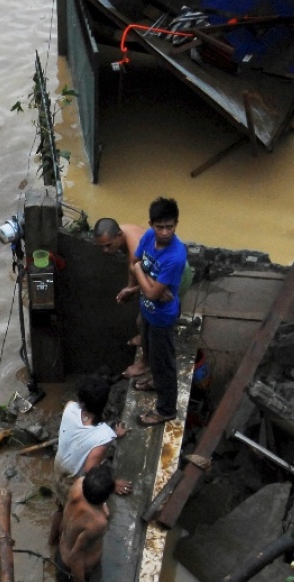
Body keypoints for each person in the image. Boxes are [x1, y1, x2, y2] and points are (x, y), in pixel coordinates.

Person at [47, 375, 131, 548]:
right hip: (72, 480)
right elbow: (90, 470)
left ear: (82, 401)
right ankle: (65, 547)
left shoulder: (70, 408)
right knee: (71, 515)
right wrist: (112, 484)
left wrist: (113, 433)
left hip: (58, 468)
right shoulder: (104, 436)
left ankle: (51, 542)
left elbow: (84, 429)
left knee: (59, 507)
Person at [131, 198, 188, 427]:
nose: (164, 232)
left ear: (176, 224)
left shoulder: (175, 256)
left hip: (162, 317)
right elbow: (136, 261)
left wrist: (140, 273)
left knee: (164, 362)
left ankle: (166, 410)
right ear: (151, 224)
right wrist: (150, 281)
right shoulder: (148, 237)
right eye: (160, 227)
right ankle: (155, 380)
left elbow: (152, 291)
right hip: (147, 310)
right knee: (152, 352)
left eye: (170, 227)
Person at [95, 217, 169, 379]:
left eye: (108, 246)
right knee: (142, 321)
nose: (105, 251)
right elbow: (133, 269)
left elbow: (156, 288)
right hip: (154, 275)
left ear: (119, 235)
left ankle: (145, 364)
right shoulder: (124, 233)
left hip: (169, 280)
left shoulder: (136, 246)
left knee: (146, 322)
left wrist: (131, 291)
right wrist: (130, 288)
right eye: (102, 247)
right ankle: (145, 339)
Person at [56, 465, 115, 582]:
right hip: (71, 569)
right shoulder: (98, 523)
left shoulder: (78, 485)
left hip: (62, 547)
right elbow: (76, 558)